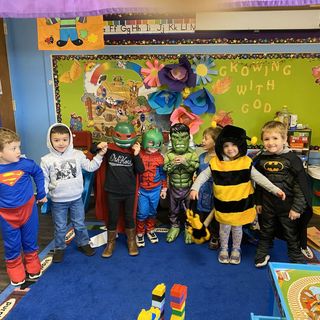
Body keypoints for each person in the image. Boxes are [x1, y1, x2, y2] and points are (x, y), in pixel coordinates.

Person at [190, 125, 285, 265]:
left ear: (241, 145)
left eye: (234, 145)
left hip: (240, 205)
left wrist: (275, 190)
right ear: (221, 146)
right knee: (224, 229)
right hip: (223, 205)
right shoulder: (216, 163)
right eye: (226, 145)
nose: (230, 149)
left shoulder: (245, 162)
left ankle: (236, 249)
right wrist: (195, 188)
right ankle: (223, 248)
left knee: (237, 228)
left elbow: (259, 178)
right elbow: (203, 175)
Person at [40, 123, 107, 263]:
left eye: (64, 139)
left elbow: (90, 167)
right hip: (58, 201)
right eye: (56, 140)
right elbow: (44, 179)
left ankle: (83, 243)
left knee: (79, 223)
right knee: (60, 227)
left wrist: (99, 156)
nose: (61, 143)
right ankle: (59, 248)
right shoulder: (46, 160)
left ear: (70, 139)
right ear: (50, 140)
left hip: (76, 198)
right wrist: (43, 194)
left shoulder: (78, 155)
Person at [254, 121, 313, 267]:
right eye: (267, 139)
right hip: (268, 204)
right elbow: (259, 184)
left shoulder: (293, 160)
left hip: (288, 206)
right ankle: (262, 252)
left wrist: (297, 208)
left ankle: (296, 257)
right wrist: (258, 202)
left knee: (291, 233)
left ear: (284, 139)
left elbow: (301, 186)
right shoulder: (261, 159)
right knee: (266, 230)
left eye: (275, 138)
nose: (271, 142)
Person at [0, 128, 47, 285]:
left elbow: (38, 173)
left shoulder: (26, 164)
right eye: (13, 148)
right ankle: (14, 267)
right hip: (6, 215)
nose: (18, 151)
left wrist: (41, 193)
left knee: (29, 238)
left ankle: (32, 262)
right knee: (11, 242)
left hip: (28, 211)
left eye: (19, 147)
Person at [98, 122, 145, 258]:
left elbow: (140, 170)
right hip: (112, 190)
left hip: (129, 191)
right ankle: (110, 243)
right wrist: (98, 146)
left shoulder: (133, 151)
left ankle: (131, 242)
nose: (124, 139)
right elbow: (92, 151)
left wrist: (136, 155)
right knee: (112, 217)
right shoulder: (110, 149)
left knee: (129, 217)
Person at [163, 123, 199, 243]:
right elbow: (165, 169)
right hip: (173, 188)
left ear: (189, 138)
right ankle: (175, 226)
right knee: (173, 210)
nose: (179, 141)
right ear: (171, 139)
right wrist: (173, 164)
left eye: (183, 137)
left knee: (189, 210)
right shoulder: (168, 154)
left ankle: (189, 228)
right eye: (176, 137)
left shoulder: (192, 153)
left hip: (188, 188)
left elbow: (195, 168)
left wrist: (185, 162)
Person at [136, 128, 167, 247]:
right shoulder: (139, 155)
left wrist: (164, 188)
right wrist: (136, 189)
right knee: (142, 213)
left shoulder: (160, 157)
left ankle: (150, 229)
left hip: (155, 189)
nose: (154, 147)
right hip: (142, 190)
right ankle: (139, 232)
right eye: (150, 143)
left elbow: (163, 174)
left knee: (152, 211)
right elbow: (136, 173)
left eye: (157, 144)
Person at [196, 126, 222, 250]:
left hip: (215, 191)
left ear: (216, 141)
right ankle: (204, 232)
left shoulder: (221, 159)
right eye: (203, 138)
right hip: (202, 191)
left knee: (215, 216)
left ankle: (215, 236)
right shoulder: (201, 157)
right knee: (202, 212)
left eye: (206, 138)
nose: (202, 141)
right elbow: (198, 171)